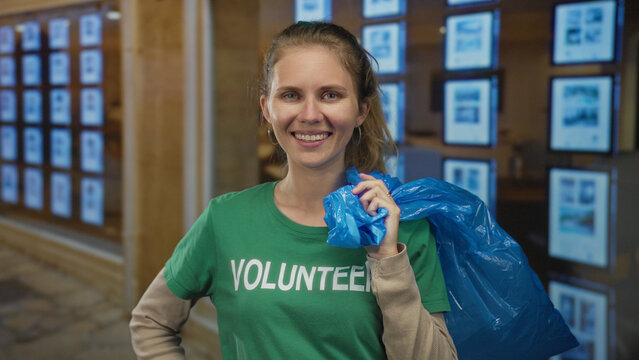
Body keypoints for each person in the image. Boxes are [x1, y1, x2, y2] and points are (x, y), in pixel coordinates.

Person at [130, 22, 458, 360]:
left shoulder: (402, 229)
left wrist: (387, 260)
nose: (310, 114)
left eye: (330, 95)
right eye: (291, 95)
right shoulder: (226, 219)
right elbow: (150, 321)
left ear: (361, 110)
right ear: (267, 108)